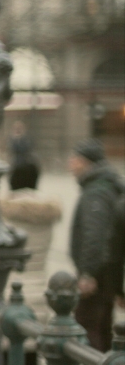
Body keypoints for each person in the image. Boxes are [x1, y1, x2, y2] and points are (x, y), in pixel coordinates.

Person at [67, 138, 124, 350]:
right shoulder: (103, 185)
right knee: (103, 328)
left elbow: (95, 235)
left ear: (86, 162)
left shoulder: (96, 192)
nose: (70, 164)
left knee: (87, 329)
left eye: (75, 159)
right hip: (107, 272)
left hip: (97, 277)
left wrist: (88, 273)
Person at [0, 162, 62, 323]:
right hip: (41, 288)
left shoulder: (3, 214)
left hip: (10, 289)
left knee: (11, 343)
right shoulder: (47, 213)